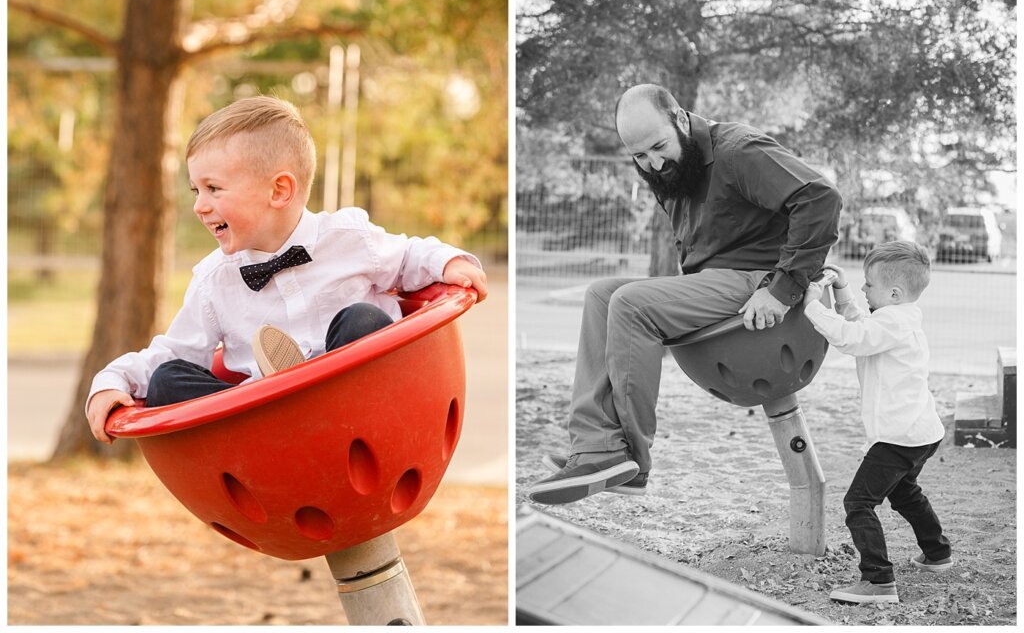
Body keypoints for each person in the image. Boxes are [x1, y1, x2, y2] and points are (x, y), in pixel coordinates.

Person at [86, 96, 487, 443]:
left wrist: (448, 261)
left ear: (279, 191)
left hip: (361, 409)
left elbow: (408, 257)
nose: (199, 206)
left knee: (362, 318)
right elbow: (173, 351)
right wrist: (111, 382)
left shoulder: (348, 237)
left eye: (214, 188)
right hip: (266, 420)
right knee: (168, 380)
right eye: (196, 190)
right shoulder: (215, 280)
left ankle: (317, 395)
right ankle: (281, 409)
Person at [527, 83, 842, 505]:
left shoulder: (738, 151)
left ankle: (631, 461)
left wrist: (782, 289)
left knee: (631, 304)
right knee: (602, 294)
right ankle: (595, 446)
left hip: (759, 279)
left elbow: (820, 197)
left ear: (679, 118)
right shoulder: (671, 169)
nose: (653, 164)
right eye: (639, 156)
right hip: (720, 281)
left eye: (658, 147)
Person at [803, 241, 950, 605]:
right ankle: (937, 553)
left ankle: (878, 581)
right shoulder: (899, 317)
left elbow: (851, 338)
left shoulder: (893, 323)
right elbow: (862, 324)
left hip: (898, 437)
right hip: (920, 432)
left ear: (894, 293)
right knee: (905, 493)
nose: (864, 288)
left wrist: (811, 307)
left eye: (869, 284)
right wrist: (842, 291)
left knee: (858, 503)